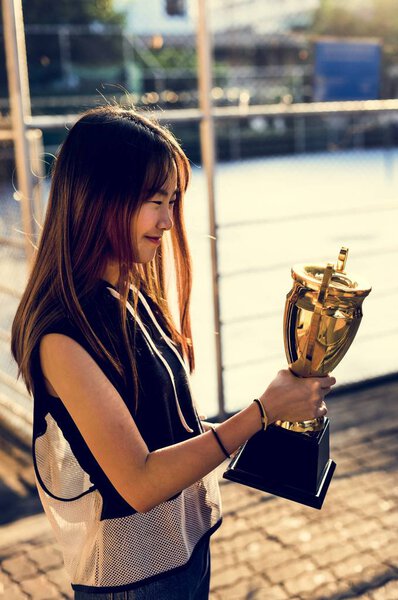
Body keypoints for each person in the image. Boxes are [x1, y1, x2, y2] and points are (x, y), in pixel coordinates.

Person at [11, 105, 335, 599]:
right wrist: (263, 412)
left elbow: (167, 430)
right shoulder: (62, 336)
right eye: (153, 201)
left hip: (183, 552)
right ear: (98, 199)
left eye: (172, 200)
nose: (167, 220)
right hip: (132, 581)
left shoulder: (129, 293)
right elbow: (138, 482)